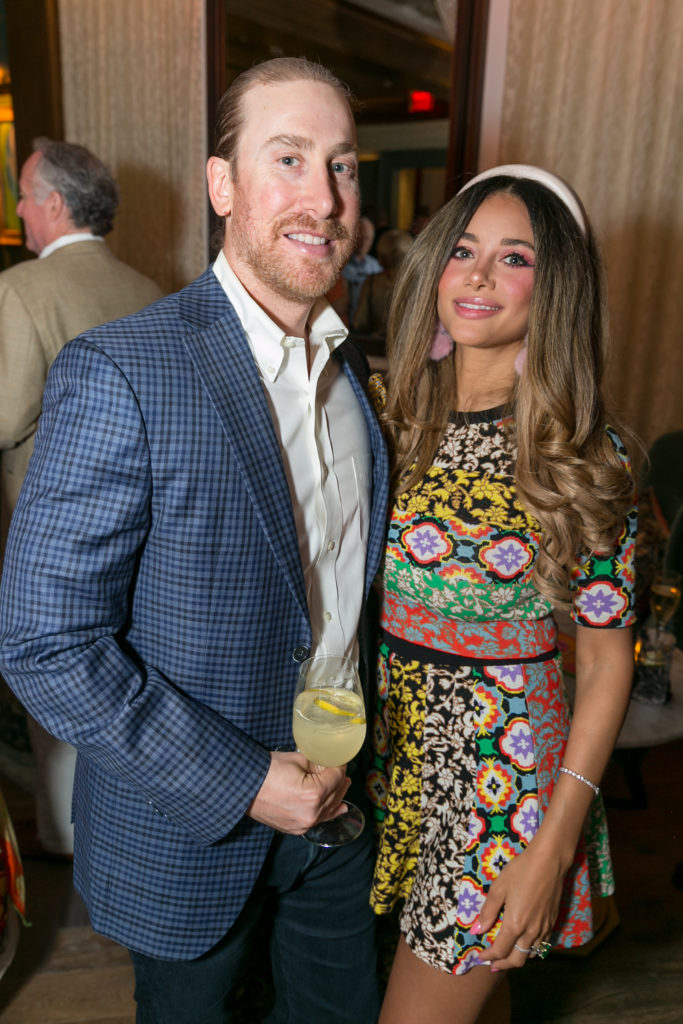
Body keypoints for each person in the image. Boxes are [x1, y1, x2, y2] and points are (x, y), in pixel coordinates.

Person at [0, 57, 389, 1023]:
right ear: (222, 186)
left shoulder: (355, 386)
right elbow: (46, 643)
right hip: (191, 840)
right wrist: (246, 780)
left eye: (341, 166)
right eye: (287, 158)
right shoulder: (124, 371)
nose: (323, 198)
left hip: (340, 815)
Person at [366, 165, 637, 1024]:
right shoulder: (389, 409)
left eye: (513, 257)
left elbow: (602, 661)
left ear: (553, 285)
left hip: (499, 778)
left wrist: (551, 847)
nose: (478, 275)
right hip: (389, 753)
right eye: (462, 249)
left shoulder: (589, 453)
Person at [0, 137, 162, 859]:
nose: (19, 210)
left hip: (51, 530)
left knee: (54, 681)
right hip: (143, 530)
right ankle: (120, 829)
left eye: (26, 196)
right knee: (120, 677)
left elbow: (4, 417)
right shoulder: (149, 289)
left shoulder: (22, 289)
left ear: (56, 205)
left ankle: (68, 844)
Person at [351, 228, 413, 340]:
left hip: (377, 347)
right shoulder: (418, 283)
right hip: (411, 349)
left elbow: (359, 322)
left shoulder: (371, 282)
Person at [342, 214, 382, 321]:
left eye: (367, 238)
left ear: (372, 240)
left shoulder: (377, 266)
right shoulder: (340, 265)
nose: (363, 242)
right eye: (360, 237)